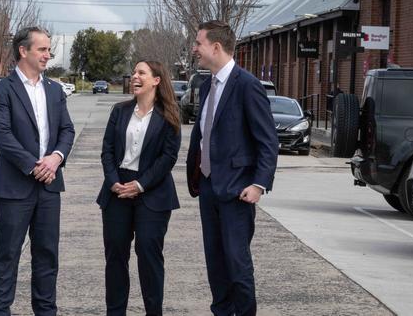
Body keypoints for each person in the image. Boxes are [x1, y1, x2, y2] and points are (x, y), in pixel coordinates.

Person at [185, 20, 278, 316]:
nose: (194, 48)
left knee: (237, 264)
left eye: (198, 43)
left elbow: (267, 141)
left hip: (237, 190)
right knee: (215, 264)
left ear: (216, 46)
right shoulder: (206, 84)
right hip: (209, 186)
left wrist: (259, 184)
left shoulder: (247, 85)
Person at [0, 26, 75, 316]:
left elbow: (66, 129)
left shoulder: (54, 90)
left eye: (48, 49)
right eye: (42, 49)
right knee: (7, 257)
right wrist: (35, 166)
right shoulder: (2, 91)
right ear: (23, 51)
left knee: (47, 257)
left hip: (50, 188)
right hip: (14, 188)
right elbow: (2, 136)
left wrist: (56, 158)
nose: (48, 55)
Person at [98, 60, 181, 316]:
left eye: (141, 73)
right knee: (115, 258)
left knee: (148, 255)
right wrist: (114, 182)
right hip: (116, 190)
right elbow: (107, 150)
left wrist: (141, 185)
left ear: (156, 80)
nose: (135, 76)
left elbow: (168, 157)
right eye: (134, 72)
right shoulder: (119, 111)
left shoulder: (169, 115)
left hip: (153, 193)